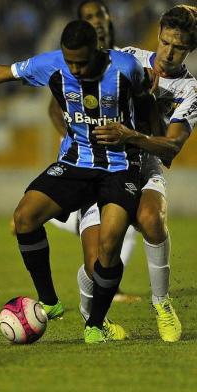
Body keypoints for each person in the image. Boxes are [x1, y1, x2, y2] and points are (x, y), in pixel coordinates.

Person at [0, 19, 155, 343]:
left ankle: (95, 325)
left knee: (109, 244)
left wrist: (143, 140)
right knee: (24, 217)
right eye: (70, 61)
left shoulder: (125, 67)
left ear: (97, 51)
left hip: (120, 166)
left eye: (82, 62)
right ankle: (50, 301)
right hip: (75, 162)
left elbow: (148, 104)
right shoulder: (53, 65)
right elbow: (0, 73)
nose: (76, 69)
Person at [92, 4, 197, 342]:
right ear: (158, 36)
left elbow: (170, 148)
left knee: (153, 219)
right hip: (104, 162)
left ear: (190, 50)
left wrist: (132, 136)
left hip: (146, 163)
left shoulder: (191, 91)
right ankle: (93, 319)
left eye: (178, 47)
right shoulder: (126, 58)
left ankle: (162, 303)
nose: (168, 52)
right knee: (98, 255)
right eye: (165, 42)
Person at [48, 0, 141, 309]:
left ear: (108, 17)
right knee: (111, 233)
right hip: (88, 163)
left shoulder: (127, 59)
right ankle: (50, 216)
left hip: (122, 160)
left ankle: (56, 219)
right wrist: (75, 137)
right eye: (89, 17)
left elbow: (143, 98)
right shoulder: (74, 61)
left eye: (99, 15)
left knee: (122, 230)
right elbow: (55, 105)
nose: (96, 21)